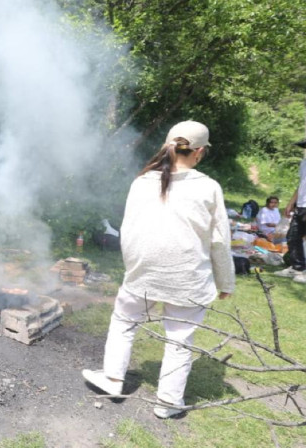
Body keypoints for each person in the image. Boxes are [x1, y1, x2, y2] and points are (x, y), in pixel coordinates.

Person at [81, 121, 235, 419]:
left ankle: (112, 379)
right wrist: (225, 282)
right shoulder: (208, 187)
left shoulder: (142, 181)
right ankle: (168, 402)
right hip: (187, 277)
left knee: (124, 321)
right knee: (180, 338)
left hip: (144, 270)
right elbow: (219, 240)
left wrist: (134, 267)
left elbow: (128, 230)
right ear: (199, 152)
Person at [277, 138, 306, 282]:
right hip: (300, 206)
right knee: (292, 236)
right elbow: (301, 185)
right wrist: (291, 203)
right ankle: (297, 268)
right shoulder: (304, 163)